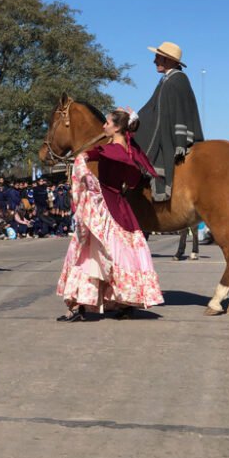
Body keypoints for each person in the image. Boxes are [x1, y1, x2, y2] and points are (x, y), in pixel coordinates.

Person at [56, 109, 164, 321]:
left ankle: (80, 306)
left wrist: (83, 159)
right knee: (117, 255)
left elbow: (92, 155)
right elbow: (132, 181)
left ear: (116, 127)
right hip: (120, 206)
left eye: (106, 123)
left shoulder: (114, 149)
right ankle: (121, 303)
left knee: (86, 251)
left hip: (104, 206)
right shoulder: (130, 150)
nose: (103, 126)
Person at [134, 42, 204, 202]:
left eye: (158, 57)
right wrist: (135, 116)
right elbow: (152, 109)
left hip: (169, 136)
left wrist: (137, 121)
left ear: (169, 60)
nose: (154, 61)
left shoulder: (175, 80)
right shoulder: (169, 80)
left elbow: (164, 116)